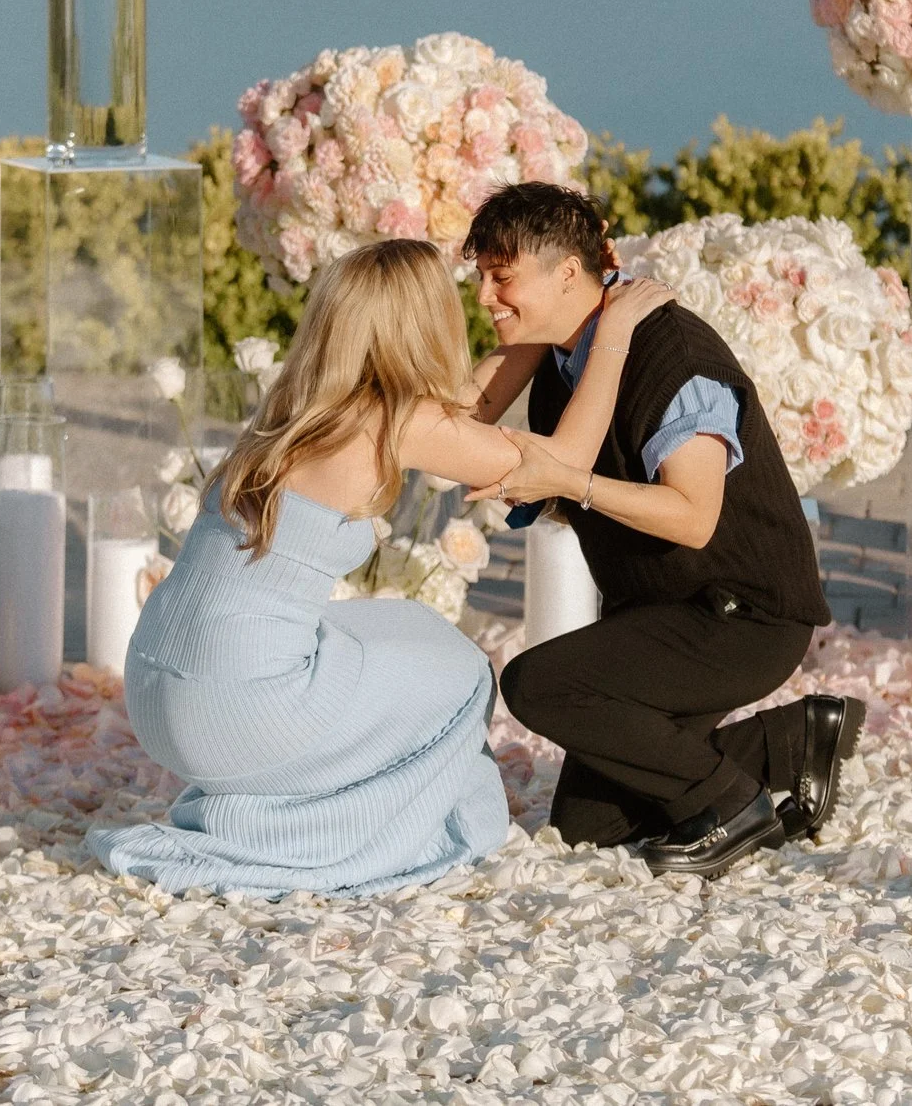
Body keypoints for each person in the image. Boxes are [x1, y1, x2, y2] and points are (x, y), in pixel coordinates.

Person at [86, 236, 671, 897]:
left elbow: (462, 418)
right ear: (422, 326)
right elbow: (560, 462)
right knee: (463, 675)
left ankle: (255, 812)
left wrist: (537, 327)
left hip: (156, 694)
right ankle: (332, 832)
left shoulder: (291, 411)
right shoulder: (390, 418)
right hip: (235, 708)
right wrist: (613, 330)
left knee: (409, 627)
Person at [463, 182, 863, 880]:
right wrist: (527, 329)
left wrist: (571, 482)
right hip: (664, 614)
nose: (485, 296)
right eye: (481, 278)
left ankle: (733, 803)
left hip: (742, 617)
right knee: (589, 827)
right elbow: (466, 412)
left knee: (537, 683)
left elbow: (693, 514)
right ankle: (793, 740)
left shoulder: (673, 355)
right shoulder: (563, 353)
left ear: (566, 272)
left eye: (502, 277)